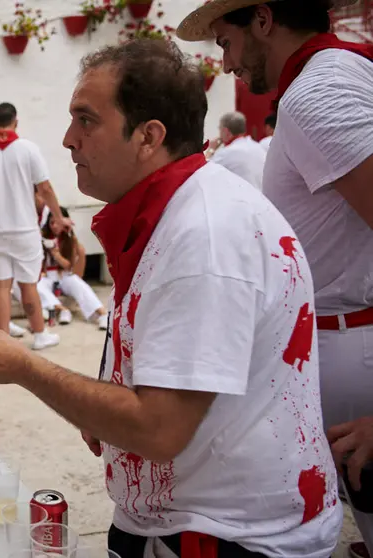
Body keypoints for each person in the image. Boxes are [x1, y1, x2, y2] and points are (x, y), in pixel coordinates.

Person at [0, 40, 341, 556]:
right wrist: (102, 408)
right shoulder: (177, 212)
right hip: (184, 518)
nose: (68, 139)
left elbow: (157, 426)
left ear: (149, 136)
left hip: (229, 536)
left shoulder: (205, 235)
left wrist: (25, 368)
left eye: (86, 121)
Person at [178, 0, 373, 554]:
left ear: (262, 20)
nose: (226, 63)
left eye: (225, 42)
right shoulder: (337, 73)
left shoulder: (317, 94)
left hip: (354, 348)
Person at [0, 102, 66, 351]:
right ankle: (40, 335)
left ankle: (2, 341)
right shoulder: (28, 149)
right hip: (24, 230)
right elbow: (45, 188)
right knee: (28, 284)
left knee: (2, 284)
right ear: (16, 122)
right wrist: (58, 216)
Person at [38, 207, 109, 329]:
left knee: (79, 285)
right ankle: (63, 310)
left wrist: (56, 254)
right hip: (48, 277)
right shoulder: (43, 238)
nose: (54, 226)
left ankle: (102, 314)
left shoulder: (69, 239)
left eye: (57, 223)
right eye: (51, 223)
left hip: (64, 275)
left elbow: (68, 265)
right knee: (37, 286)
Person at [207, 111, 267, 189]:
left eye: (220, 129)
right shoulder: (258, 147)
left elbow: (204, 171)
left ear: (226, 131)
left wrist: (211, 149)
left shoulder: (226, 153)